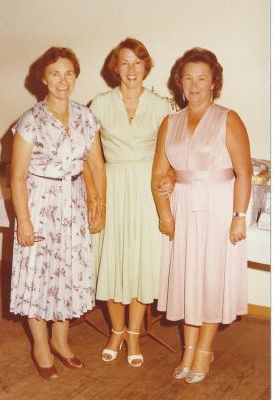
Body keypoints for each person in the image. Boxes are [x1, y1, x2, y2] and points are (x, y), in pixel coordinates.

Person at [152, 47, 252, 383]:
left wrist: (239, 215)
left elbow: (244, 171)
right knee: (186, 279)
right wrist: (166, 214)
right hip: (182, 207)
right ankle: (188, 349)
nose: (194, 86)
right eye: (188, 78)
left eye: (202, 79)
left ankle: (204, 350)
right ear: (179, 82)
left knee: (210, 278)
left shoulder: (228, 118)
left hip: (218, 207)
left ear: (213, 83)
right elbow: (160, 174)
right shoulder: (171, 121)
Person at [10, 47, 106, 380]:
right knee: (39, 275)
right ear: (43, 79)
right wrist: (24, 220)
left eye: (68, 73)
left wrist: (98, 203)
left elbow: (96, 164)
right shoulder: (30, 120)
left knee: (68, 273)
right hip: (40, 204)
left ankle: (61, 342)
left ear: (76, 76)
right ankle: (40, 346)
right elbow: (18, 176)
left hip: (74, 203)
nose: (62, 80)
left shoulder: (85, 116)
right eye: (55, 73)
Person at [90, 38, 173, 367]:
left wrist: (173, 180)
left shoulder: (161, 106)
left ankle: (134, 335)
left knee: (140, 262)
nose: (131, 69)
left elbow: (171, 155)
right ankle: (116, 330)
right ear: (115, 68)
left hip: (145, 190)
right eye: (124, 63)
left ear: (146, 66)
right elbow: (89, 157)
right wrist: (95, 198)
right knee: (111, 259)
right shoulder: (99, 104)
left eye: (137, 62)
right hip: (111, 185)